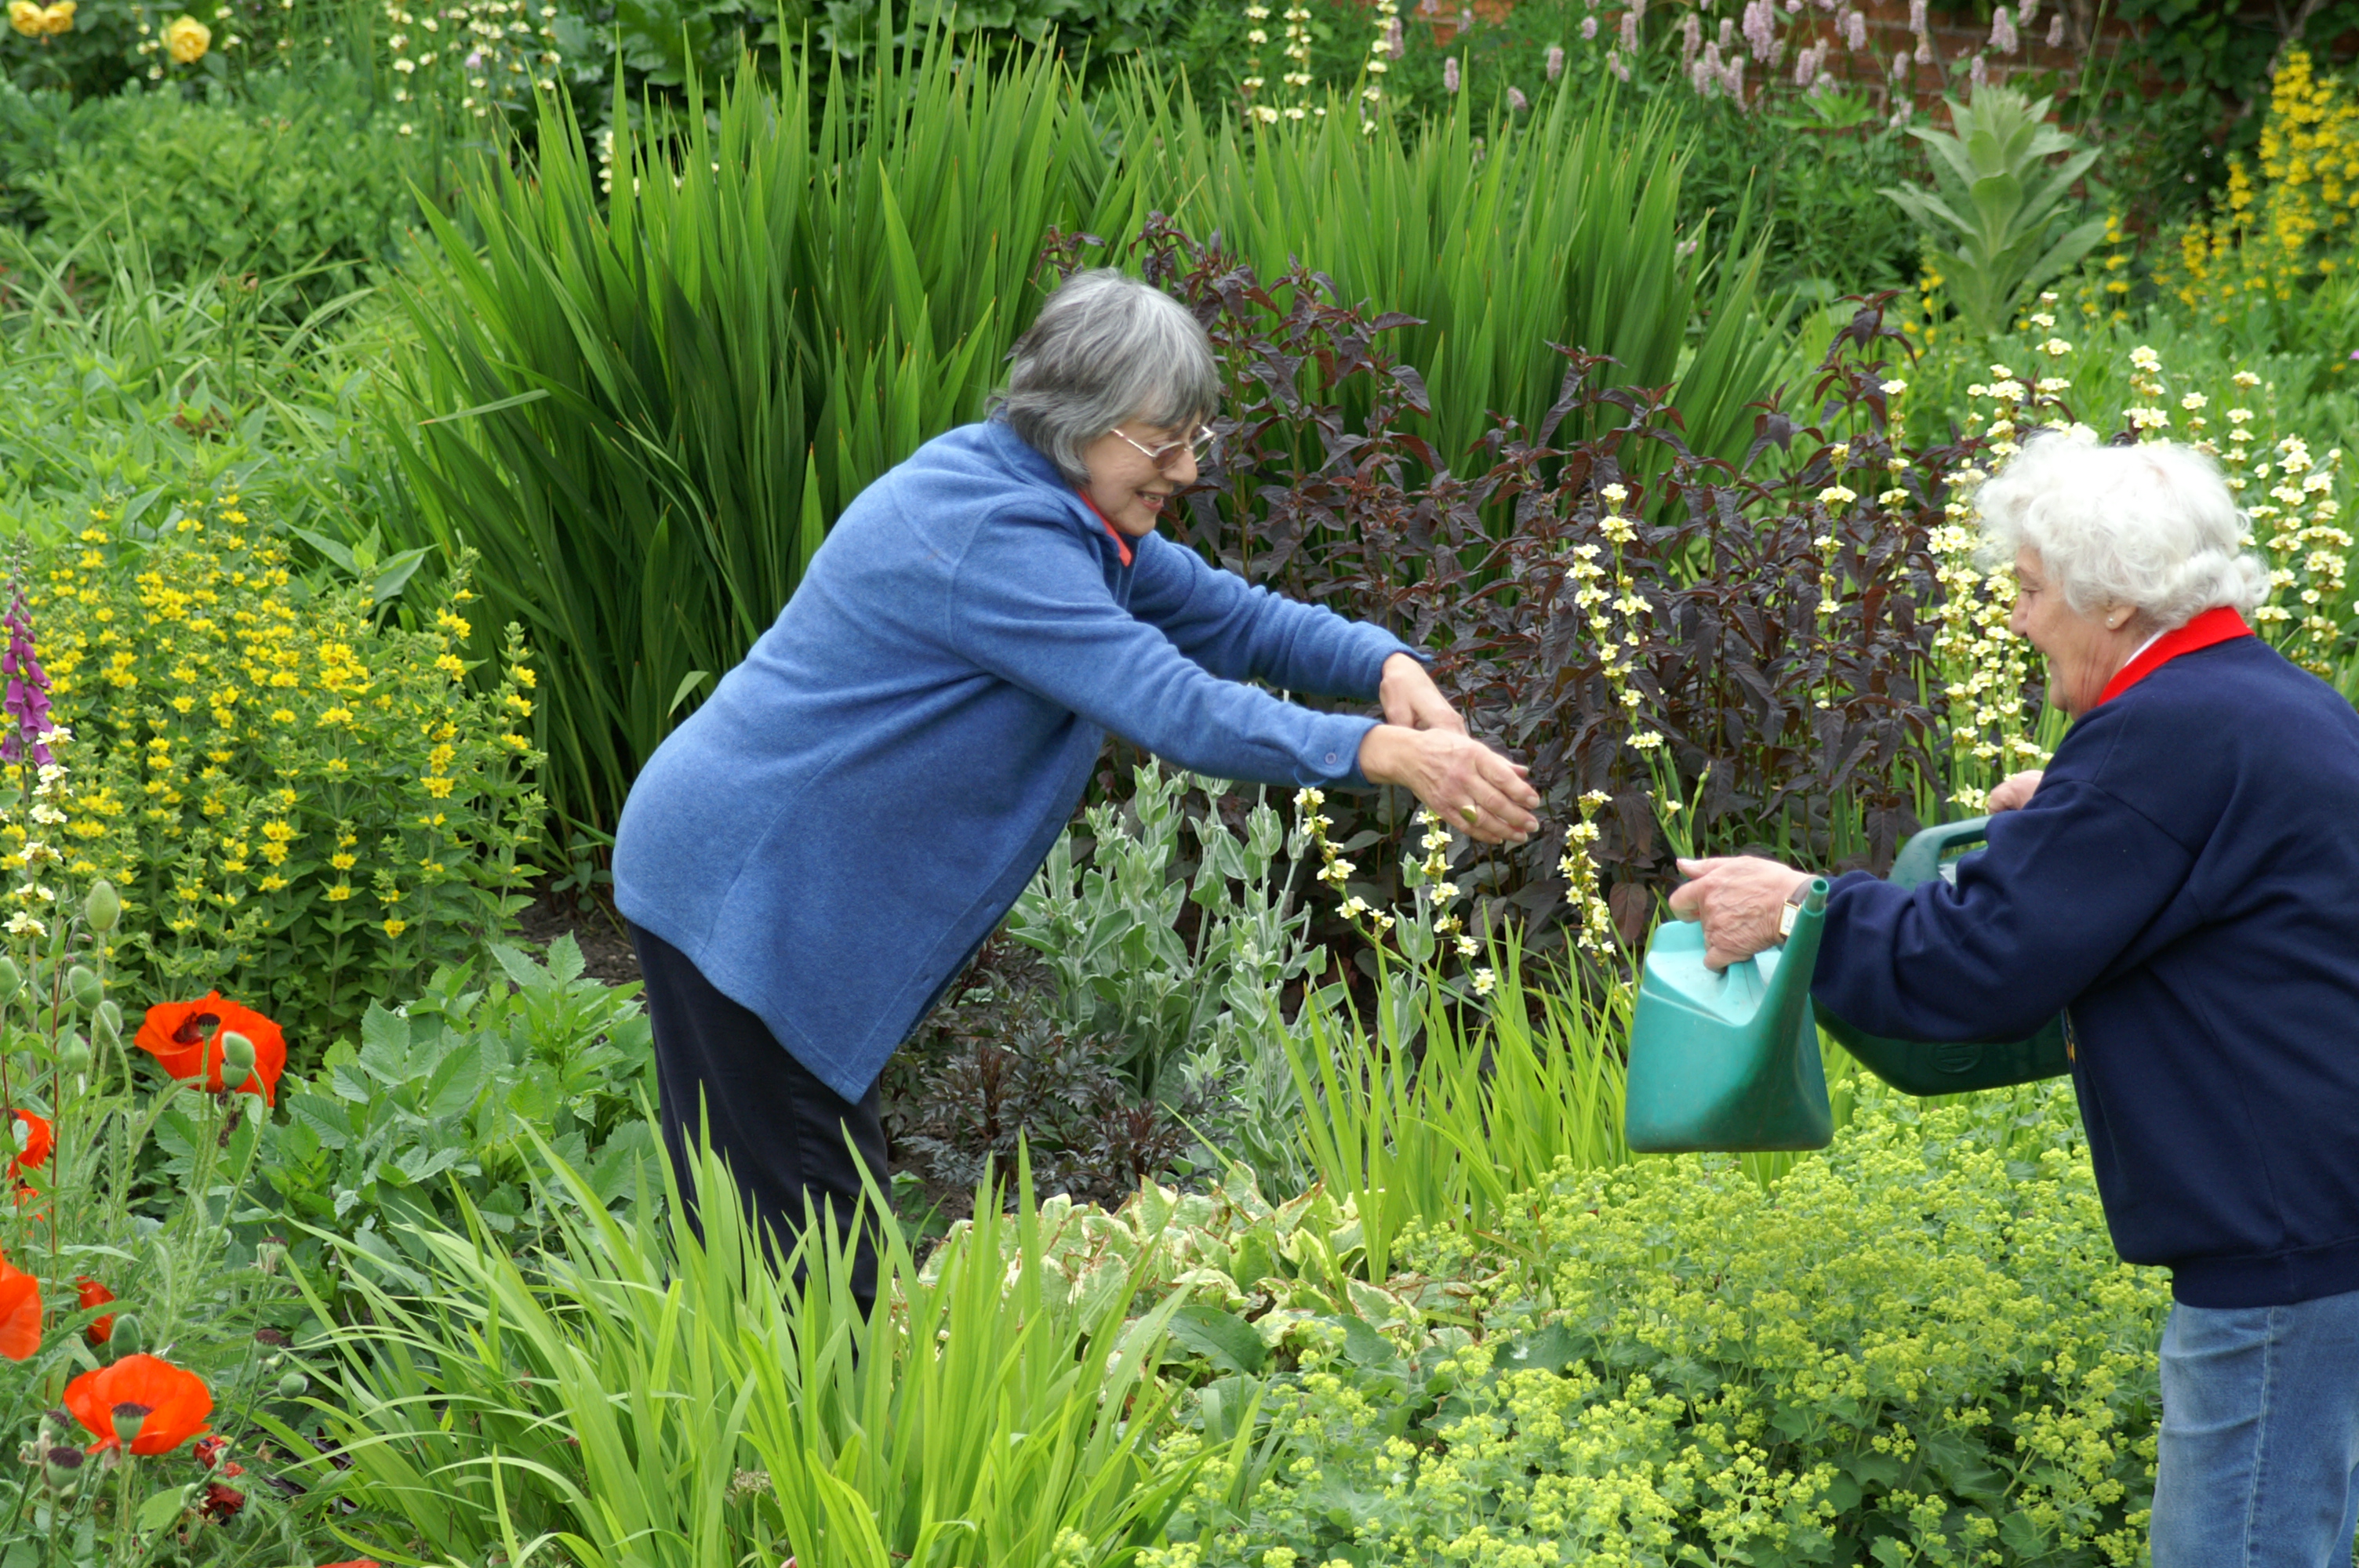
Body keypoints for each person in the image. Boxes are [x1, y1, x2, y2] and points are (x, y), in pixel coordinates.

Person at [611, 267, 1539, 1311]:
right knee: (815, 1256)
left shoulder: (1051, 506)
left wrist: (1385, 664)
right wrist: (1385, 753)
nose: (1188, 470)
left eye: (1199, 439)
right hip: (747, 888)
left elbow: (1233, 618)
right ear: (1078, 422)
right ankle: (824, 1455)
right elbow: (1171, 703)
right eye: (1164, 442)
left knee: (780, 1226)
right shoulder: (998, 539)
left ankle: (766, 1443)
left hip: (741, 870)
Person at [1670, 433, 2359, 1565]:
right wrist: (2084, 815)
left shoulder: (2165, 737)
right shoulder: (2272, 704)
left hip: (2280, 1251)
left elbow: (1974, 963)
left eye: (2034, 590)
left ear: (2115, 600)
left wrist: (1800, 906)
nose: (2021, 618)